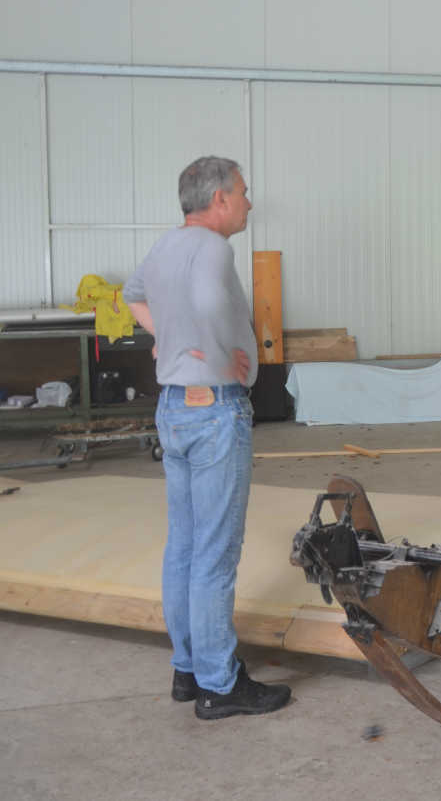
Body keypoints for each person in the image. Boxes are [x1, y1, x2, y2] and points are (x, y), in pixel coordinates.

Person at [123, 156, 292, 720]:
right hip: (214, 410)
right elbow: (211, 304)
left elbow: (132, 295)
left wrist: (172, 339)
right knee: (215, 554)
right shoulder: (214, 249)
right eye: (243, 192)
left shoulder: (166, 245)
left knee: (185, 546)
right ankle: (220, 684)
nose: (248, 201)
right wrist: (222, 356)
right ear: (219, 198)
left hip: (173, 407)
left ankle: (188, 669)